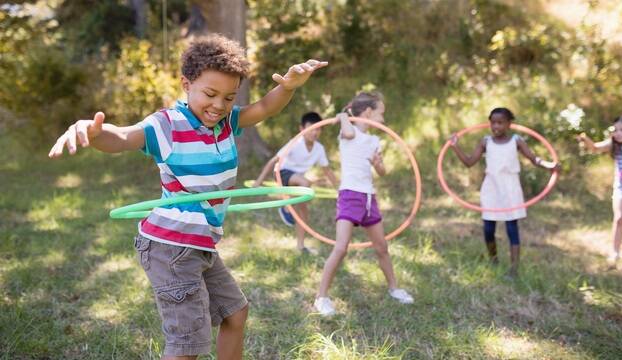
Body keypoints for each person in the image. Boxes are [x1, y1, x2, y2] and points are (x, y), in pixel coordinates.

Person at [48, 34, 327, 360]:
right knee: (188, 345)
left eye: (229, 96)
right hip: (171, 246)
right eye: (210, 94)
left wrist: (289, 86)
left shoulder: (226, 123)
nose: (219, 105)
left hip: (199, 243)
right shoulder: (167, 124)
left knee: (235, 313)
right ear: (186, 84)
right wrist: (94, 133)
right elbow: (122, 137)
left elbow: (264, 107)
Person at [313, 92, 414, 317]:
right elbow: (349, 131)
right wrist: (342, 115)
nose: (383, 119)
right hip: (349, 195)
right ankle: (321, 297)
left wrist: (378, 165)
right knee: (341, 248)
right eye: (381, 113)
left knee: (382, 248)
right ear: (368, 112)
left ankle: (394, 288)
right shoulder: (347, 131)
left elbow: (382, 171)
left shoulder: (375, 140)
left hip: (369, 197)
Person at [449, 107, 556, 278]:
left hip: (511, 188)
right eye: (493, 123)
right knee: (488, 229)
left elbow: (533, 158)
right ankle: (493, 260)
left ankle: (514, 269)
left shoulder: (517, 140)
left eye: (500, 123)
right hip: (491, 188)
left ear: (509, 124)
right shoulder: (486, 142)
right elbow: (469, 162)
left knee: (512, 228)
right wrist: (455, 146)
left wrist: (549, 165)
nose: (496, 126)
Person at [254, 111, 338, 254]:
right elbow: (274, 161)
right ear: (302, 129)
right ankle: (286, 208)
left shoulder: (319, 149)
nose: (314, 132)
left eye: (318, 129)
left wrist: (340, 189)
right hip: (282, 172)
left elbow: (327, 171)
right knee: (305, 183)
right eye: (311, 128)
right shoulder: (295, 143)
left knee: (304, 213)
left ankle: (300, 246)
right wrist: (258, 182)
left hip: (298, 178)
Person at [578, 114, 622, 269]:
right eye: (615, 130)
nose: (618, 133)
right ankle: (615, 253)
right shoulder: (614, 144)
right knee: (620, 218)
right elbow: (595, 148)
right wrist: (586, 141)